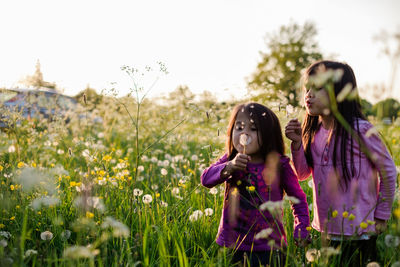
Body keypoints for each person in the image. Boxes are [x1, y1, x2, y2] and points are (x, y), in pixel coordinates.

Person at [285, 60, 397, 266]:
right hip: (327, 229)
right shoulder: (313, 132)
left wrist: (381, 214)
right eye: (306, 88)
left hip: (361, 229)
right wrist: (296, 143)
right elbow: (301, 174)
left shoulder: (361, 130)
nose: (309, 94)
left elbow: (388, 171)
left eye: (318, 88)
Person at [201, 102, 310, 266]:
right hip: (232, 243)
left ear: (268, 134)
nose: (244, 134)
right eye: (238, 128)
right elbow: (206, 180)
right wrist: (229, 167)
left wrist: (301, 227)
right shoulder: (230, 159)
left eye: (253, 129)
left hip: (270, 246)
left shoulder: (280, 164)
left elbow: (298, 198)